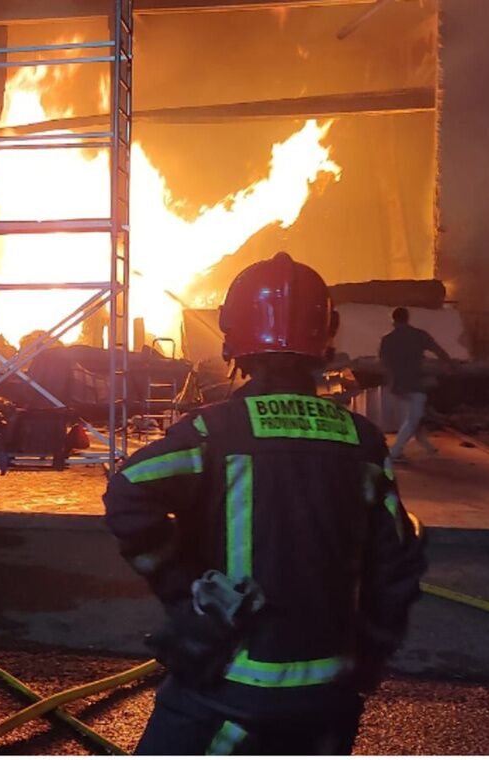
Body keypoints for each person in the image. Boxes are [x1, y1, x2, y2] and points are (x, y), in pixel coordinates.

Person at [104, 252, 426, 755]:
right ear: (327, 339)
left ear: (234, 342)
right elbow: (397, 561)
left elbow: (128, 490)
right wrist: (369, 654)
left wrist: (182, 590)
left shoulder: (214, 432)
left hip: (226, 690)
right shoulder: (361, 440)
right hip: (328, 698)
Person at [378, 307, 453, 462]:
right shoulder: (419, 335)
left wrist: (390, 379)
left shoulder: (387, 339)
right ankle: (395, 452)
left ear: (393, 320)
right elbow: (439, 351)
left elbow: (383, 362)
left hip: (397, 384)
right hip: (415, 384)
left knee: (413, 414)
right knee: (414, 416)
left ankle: (426, 445)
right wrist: (450, 364)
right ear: (407, 318)